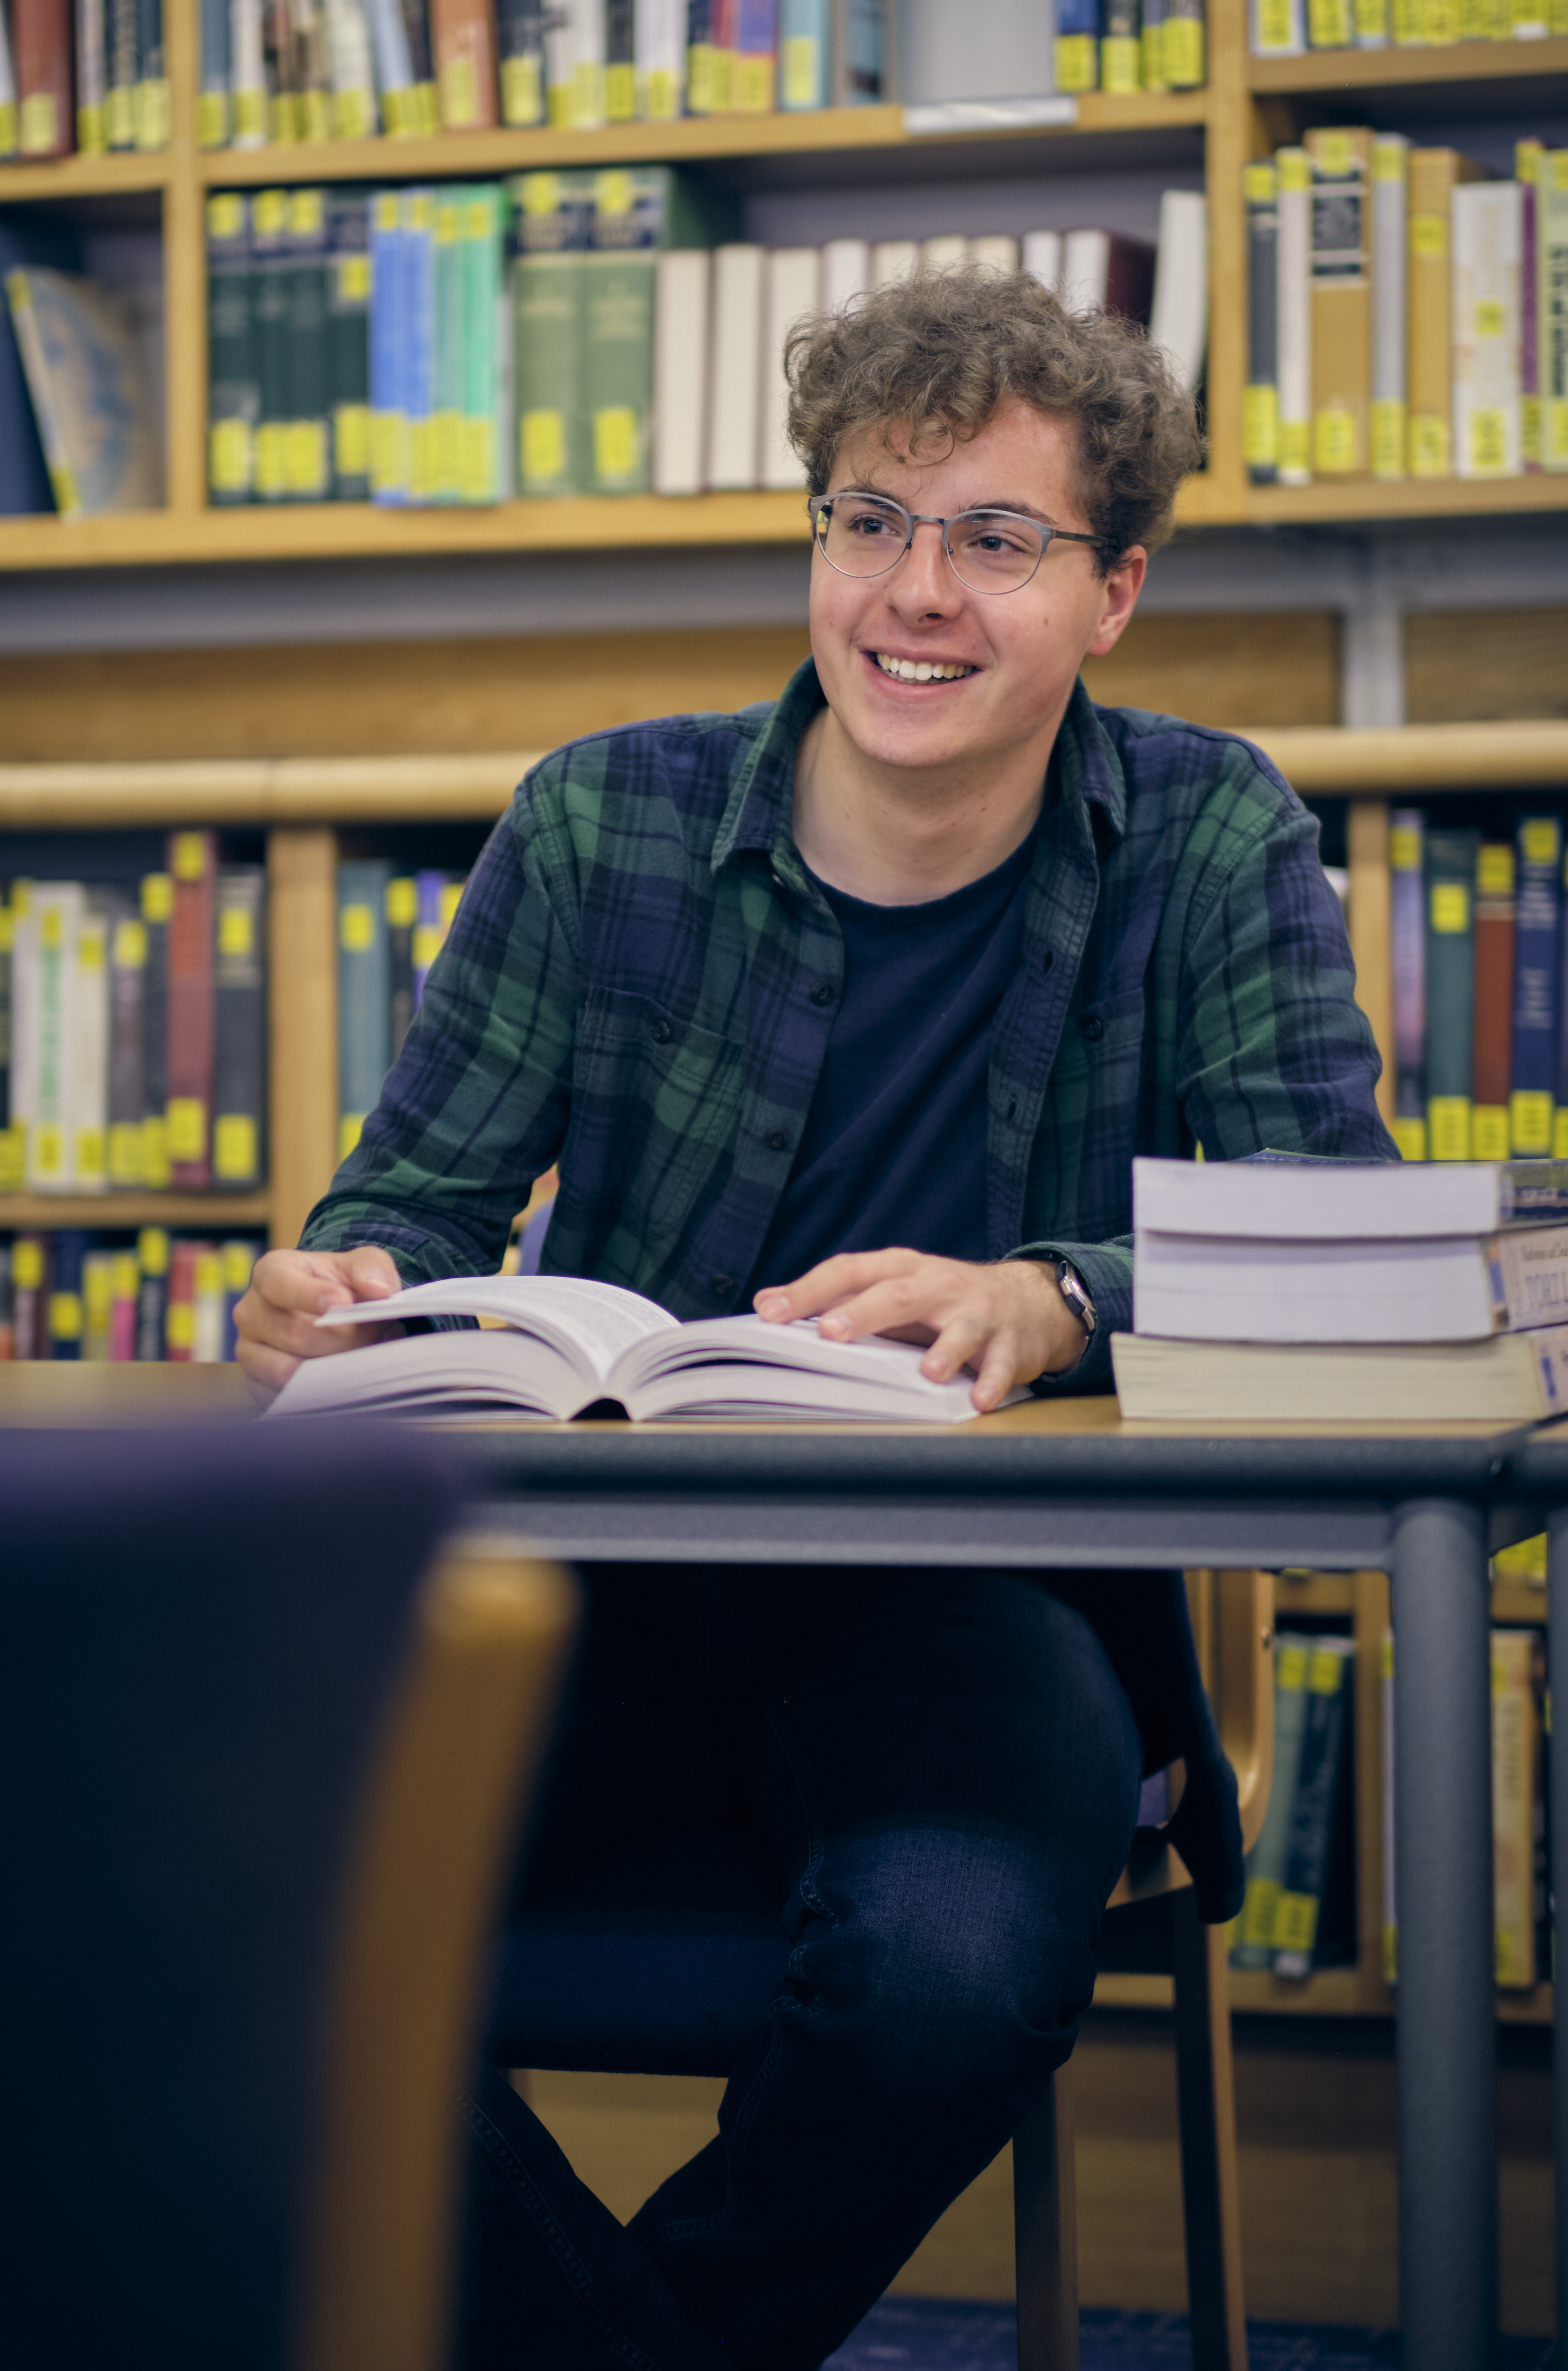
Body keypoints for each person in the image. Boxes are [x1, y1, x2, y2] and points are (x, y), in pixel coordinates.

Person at [237, 268, 1392, 2370]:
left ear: (1113, 592)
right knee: (205, 1884)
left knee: (947, 1979)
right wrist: (345, 1291)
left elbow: (1333, 1240)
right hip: (576, 1584)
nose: (912, 593)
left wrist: (1058, 1298)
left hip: (974, 1606)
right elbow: (409, 1206)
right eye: (867, 519)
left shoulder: (1209, 835)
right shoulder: (606, 821)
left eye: (995, 538)